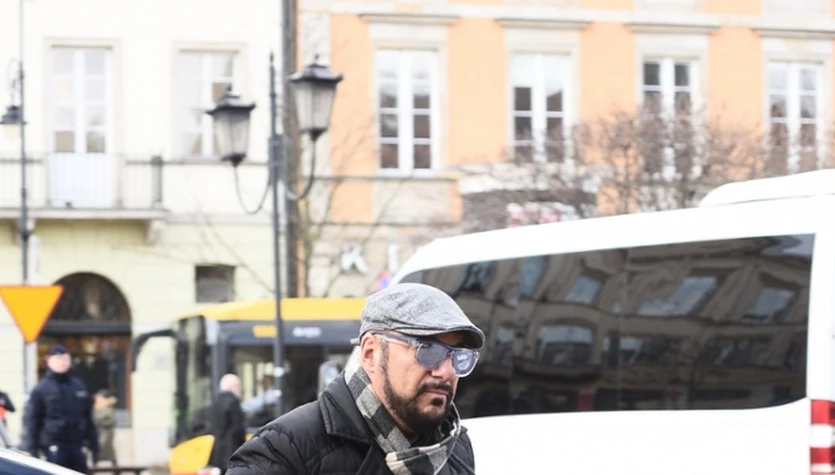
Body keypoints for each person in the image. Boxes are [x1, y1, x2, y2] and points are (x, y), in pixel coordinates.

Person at [227, 282, 484, 475]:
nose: (446, 371)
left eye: (458, 356)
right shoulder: (285, 450)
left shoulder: (455, 446)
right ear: (371, 353)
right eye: (427, 350)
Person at [25, 344, 99, 473]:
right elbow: (33, 420)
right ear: (49, 361)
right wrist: (32, 449)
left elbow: (87, 417)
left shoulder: (78, 386)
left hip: (76, 444)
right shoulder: (42, 389)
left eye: (65, 359)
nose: (62, 362)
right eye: (58, 359)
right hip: (53, 446)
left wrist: (94, 444)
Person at [208, 374, 247, 474]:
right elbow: (238, 428)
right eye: (238, 385)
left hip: (218, 454)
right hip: (233, 451)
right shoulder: (233, 402)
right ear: (233, 386)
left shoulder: (215, 402)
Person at [93, 390, 118, 466]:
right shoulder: (96, 407)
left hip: (107, 432)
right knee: (96, 446)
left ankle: (114, 463)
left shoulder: (108, 407)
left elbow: (112, 420)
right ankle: (95, 462)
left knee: (104, 446)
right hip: (97, 431)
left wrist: (103, 423)